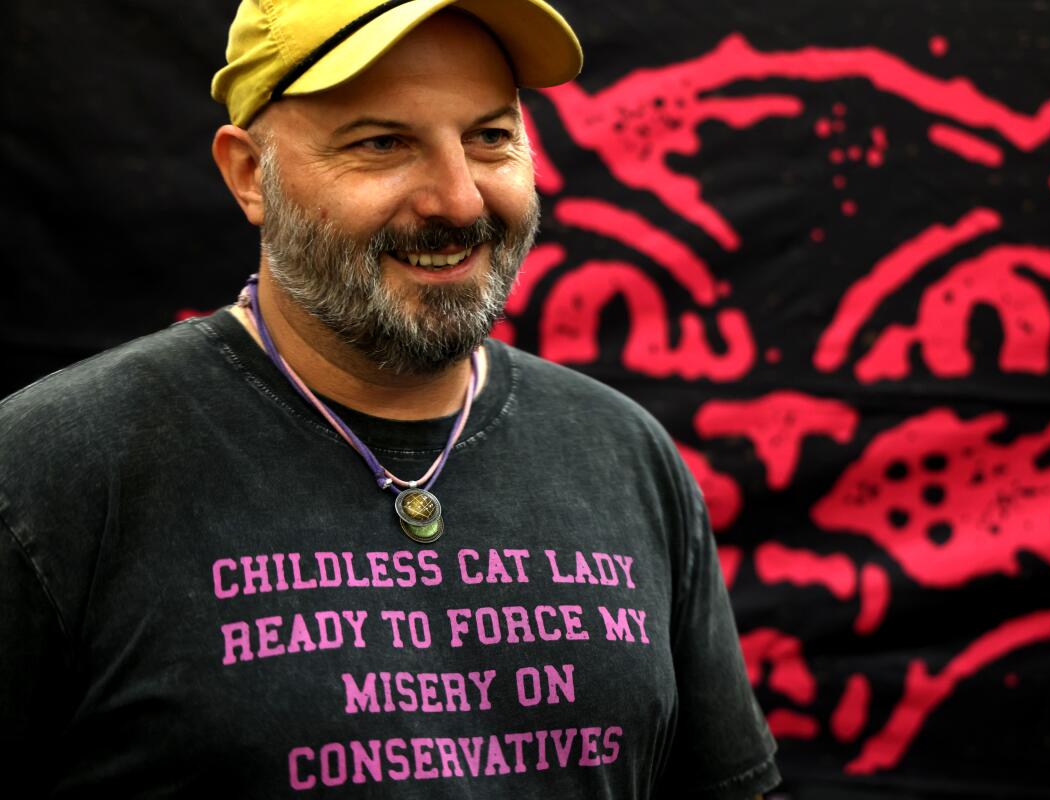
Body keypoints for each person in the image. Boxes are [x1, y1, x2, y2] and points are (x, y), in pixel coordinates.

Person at [0, 0, 779, 796]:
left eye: (491, 138)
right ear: (248, 175)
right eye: (383, 144)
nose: (461, 201)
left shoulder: (624, 452)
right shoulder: (53, 471)